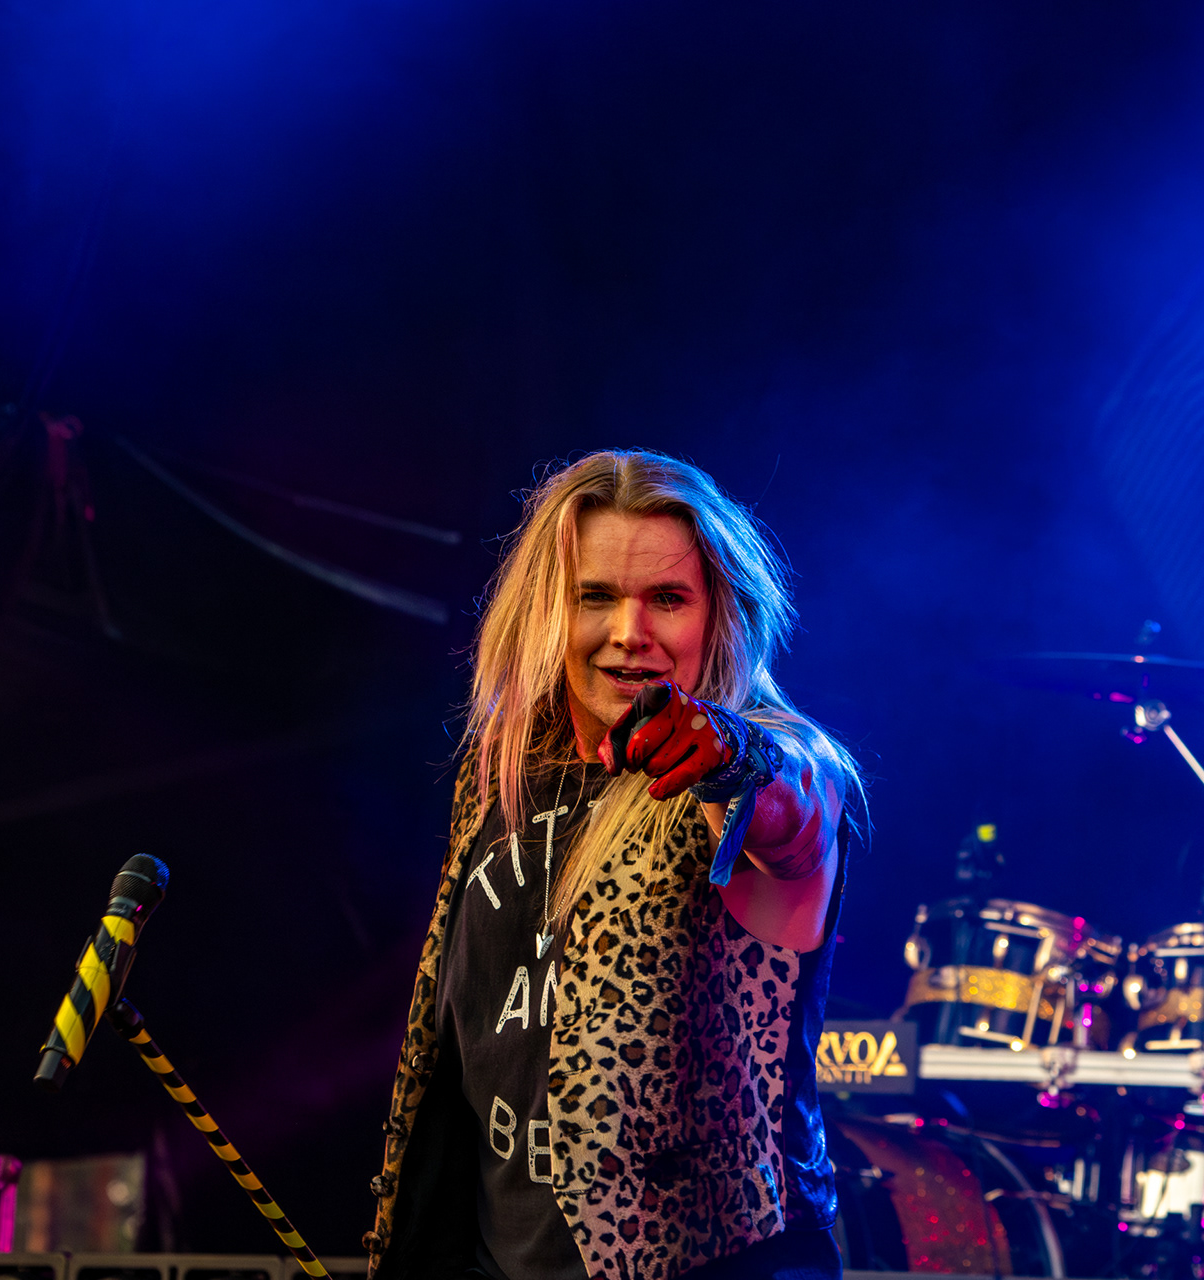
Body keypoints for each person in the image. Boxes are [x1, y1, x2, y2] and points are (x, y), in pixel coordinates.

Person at [364, 450, 863, 1280]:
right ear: (549, 610)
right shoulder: (503, 776)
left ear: (720, 614)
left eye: (668, 599)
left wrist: (733, 759)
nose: (630, 632)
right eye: (595, 596)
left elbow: (795, 816)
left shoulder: (767, 755)